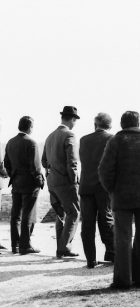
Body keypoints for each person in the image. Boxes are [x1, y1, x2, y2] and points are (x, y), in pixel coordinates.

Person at [98, 111, 140, 289]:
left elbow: (104, 171)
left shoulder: (115, 142)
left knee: (122, 237)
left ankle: (123, 280)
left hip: (122, 196)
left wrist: (112, 190)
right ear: (138, 123)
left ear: (122, 123)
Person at [42, 106, 81, 258]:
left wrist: (52, 170)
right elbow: (72, 162)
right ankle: (64, 247)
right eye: (75, 120)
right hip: (65, 182)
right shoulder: (69, 135)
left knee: (60, 214)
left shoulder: (50, 136)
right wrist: (75, 181)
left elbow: (44, 161)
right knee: (74, 212)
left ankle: (61, 246)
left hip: (52, 182)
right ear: (72, 119)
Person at [79, 112, 115, 268]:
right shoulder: (112, 139)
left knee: (87, 223)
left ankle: (90, 259)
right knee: (106, 219)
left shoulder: (83, 140)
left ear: (95, 125)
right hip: (103, 186)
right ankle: (112, 253)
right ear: (110, 125)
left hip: (86, 185)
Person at [4, 116, 44, 254]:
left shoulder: (10, 142)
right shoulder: (31, 143)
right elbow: (35, 167)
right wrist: (40, 182)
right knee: (27, 214)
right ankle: (25, 245)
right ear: (30, 127)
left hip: (16, 183)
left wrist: (13, 175)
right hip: (29, 184)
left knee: (15, 215)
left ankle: (15, 245)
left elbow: (7, 164)